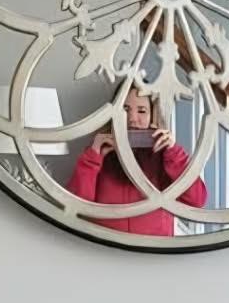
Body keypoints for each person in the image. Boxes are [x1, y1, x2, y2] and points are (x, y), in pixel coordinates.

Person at [70, 87, 205, 238]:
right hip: (105, 246)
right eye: (125, 109)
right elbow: (78, 208)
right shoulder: (99, 152)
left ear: (152, 115)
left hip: (151, 248)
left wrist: (174, 153)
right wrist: (93, 157)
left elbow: (197, 201)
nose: (132, 119)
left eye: (141, 111)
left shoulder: (167, 155)